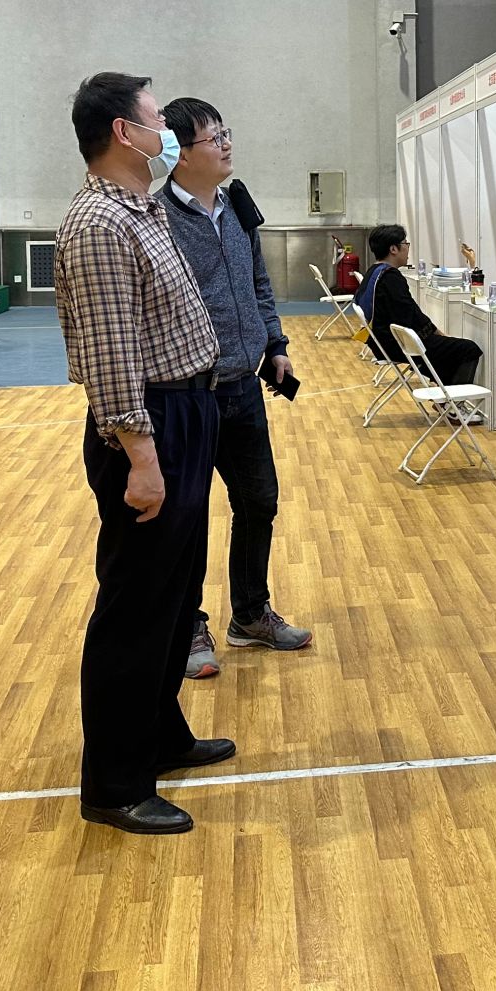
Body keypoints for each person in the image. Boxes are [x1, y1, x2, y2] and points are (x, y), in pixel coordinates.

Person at [55, 71, 231, 835]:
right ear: (125, 133)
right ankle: (116, 784)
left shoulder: (141, 208)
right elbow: (111, 353)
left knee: (173, 592)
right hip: (148, 424)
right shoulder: (99, 223)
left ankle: (161, 734)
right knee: (134, 607)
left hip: (186, 411)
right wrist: (142, 455)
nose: (169, 131)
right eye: (157, 119)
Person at [158, 98, 311, 681]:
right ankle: (188, 624)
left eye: (226, 133)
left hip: (244, 388)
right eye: (213, 137)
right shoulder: (157, 220)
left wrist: (275, 343)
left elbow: (258, 282)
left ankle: (249, 614)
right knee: (187, 517)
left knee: (258, 502)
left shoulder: (237, 207)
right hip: (188, 395)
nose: (226, 144)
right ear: (179, 153)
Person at [361, 224, 483, 385]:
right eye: (405, 243)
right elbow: (410, 315)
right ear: (393, 249)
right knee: (469, 349)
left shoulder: (373, 272)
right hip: (397, 344)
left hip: (379, 341)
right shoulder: (391, 278)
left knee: (446, 349)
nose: (408, 248)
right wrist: (437, 333)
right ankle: (455, 398)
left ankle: (444, 393)